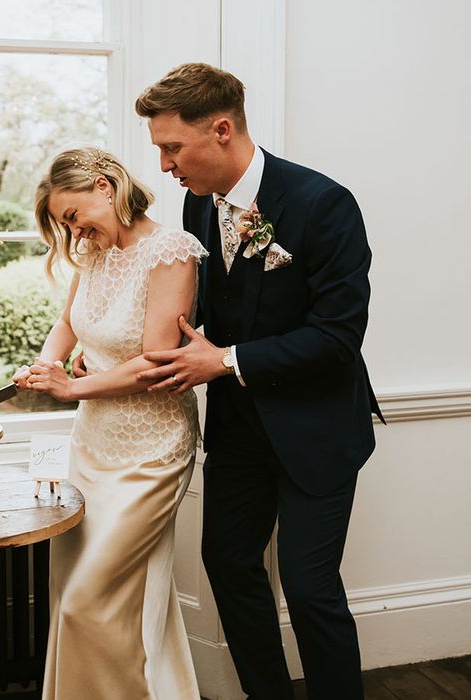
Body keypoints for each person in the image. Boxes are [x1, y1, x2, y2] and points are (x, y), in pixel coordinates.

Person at [130, 63, 385, 700]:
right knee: (229, 566)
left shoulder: (324, 204)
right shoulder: (196, 202)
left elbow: (336, 338)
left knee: (309, 588)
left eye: (171, 147)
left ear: (221, 130)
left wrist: (226, 362)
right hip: (241, 432)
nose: (164, 166)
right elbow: (205, 309)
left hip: (318, 428)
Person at [13, 146, 206, 700]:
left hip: (150, 452)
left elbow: (155, 363)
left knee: (88, 600)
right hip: (91, 448)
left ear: (104, 186)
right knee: (78, 592)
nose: (73, 230)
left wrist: (72, 387)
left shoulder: (170, 250)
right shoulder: (95, 252)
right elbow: (67, 323)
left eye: (73, 215)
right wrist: (50, 362)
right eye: (62, 223)